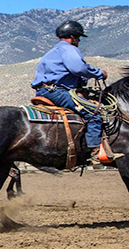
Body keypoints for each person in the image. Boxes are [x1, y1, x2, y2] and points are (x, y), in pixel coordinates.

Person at [30, 20, 108, 162]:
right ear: (72, 37)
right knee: (93, 112)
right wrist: (99, 73)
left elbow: (66, 73)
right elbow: (78, 68)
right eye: (78, 38)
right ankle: (94, 150)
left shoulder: (54, 51)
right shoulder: (69, 49)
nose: (78, 41)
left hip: (44, 90)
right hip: (57, 92)